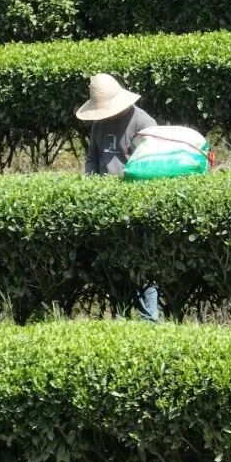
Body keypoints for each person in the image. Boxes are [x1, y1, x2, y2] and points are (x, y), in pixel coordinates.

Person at [76, 73, 159, 322]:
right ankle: (121, 317)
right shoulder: (100, 124)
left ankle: (149, 320)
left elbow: (150, 164)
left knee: (142, 265)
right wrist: (90, 183)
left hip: (136, 203)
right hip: (106, 204)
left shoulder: (143, 123)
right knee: (115, 266)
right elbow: (93, 157)